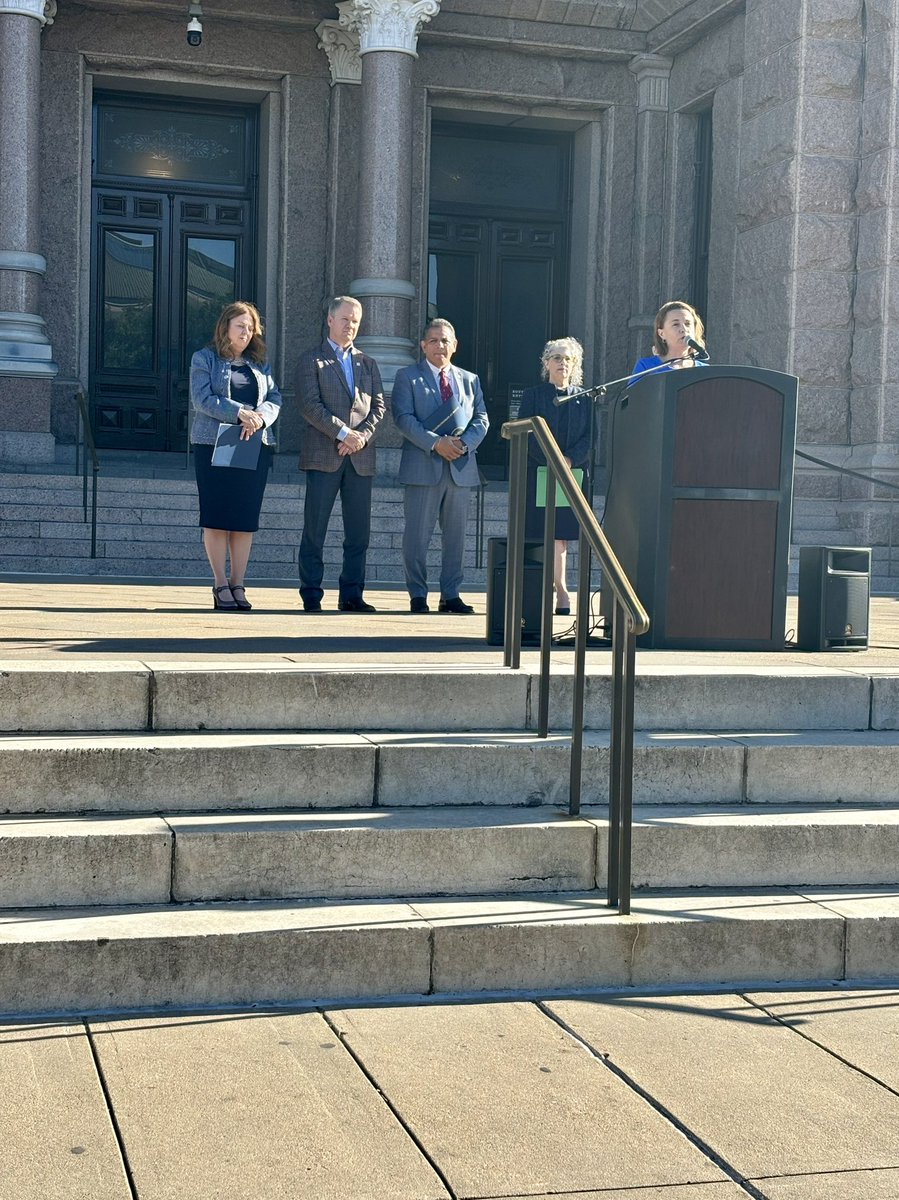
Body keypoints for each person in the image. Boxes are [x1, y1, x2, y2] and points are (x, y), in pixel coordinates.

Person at [190, 300, 282, 612]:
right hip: (214, 445)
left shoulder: (259, 364)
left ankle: (238, 582)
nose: (246, 332)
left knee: (243, 520)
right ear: (226, 327)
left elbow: (274, 397)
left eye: (250, 327)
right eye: (240, 326)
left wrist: (260, 418)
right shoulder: (205, 358)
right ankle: (219, 584)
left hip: (253, 445)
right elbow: (203, 399)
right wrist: (241, 412)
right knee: (217, 517)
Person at [392, 318, 489, 614]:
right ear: (423, 345)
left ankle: (451, 594)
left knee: (456, 537)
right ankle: (418, 594)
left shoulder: (469, 380)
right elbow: (403, 418)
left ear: (455, 345)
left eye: (445, 340)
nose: (440, 346)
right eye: (433, 341)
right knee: (417, 536)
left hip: (460, 468)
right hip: (424, 466)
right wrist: (437, 443)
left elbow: (482, 418)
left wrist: (464, 445)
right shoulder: (407, 376)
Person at [296, 296, 385, 613]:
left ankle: (351, 594)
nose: (351, 325)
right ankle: (311, 592)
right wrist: (344, 434)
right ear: (330, 320)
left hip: (359, 459)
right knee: (315, 528)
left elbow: (378, 408)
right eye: (345, 319)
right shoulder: (312, 360)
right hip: (324, 454)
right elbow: (309, 405)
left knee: (358, 532)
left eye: (356, 321)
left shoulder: (368, 363)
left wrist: (360, 438)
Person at [518, 337, 592, 616]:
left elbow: (590, 437)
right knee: (543, 534)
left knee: (561, 536)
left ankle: (562, 590)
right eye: (557, 358)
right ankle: (547, 590)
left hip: (572, 473)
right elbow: (524, 431)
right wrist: (551, 458)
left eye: (568, 359)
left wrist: (570, 459)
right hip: (540, 471)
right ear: (546, 362)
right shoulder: (533, 395)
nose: (563, 363)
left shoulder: (583, 397)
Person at [632, 300, 708, 378]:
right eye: (676, 324)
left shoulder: (705, 370)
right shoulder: (647, 367)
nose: (683, 329)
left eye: (688, 324)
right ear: (661, 334)